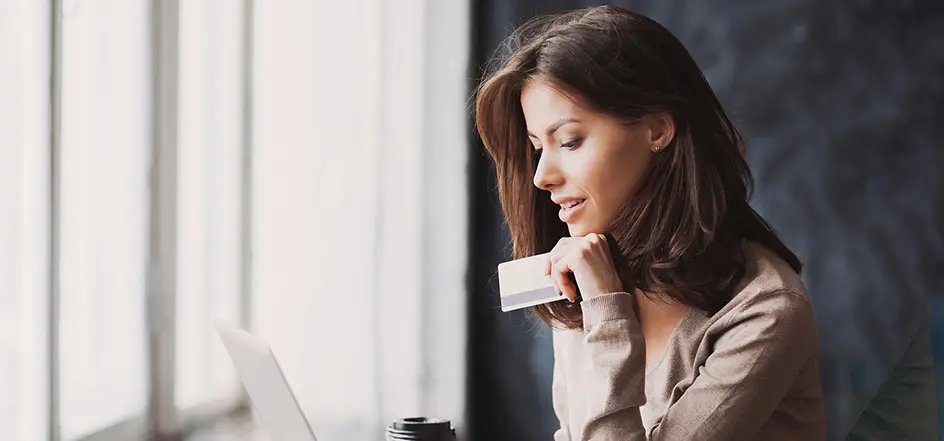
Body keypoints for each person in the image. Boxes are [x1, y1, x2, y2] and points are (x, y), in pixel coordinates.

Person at [474, 6, 827, 441]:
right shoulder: (587, 270)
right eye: (536, 148)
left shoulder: (764, 310)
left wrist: (607, 311)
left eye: (569, 141)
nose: (541, 176)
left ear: (657, 130)